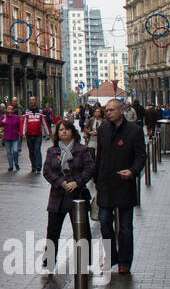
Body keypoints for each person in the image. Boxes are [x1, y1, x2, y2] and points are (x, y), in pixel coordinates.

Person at [94, 98, 146, 275]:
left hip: (125, 183)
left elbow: (141, 156)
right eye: (106, 110)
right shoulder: (103, 130)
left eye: (112, 110)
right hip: (106, 184)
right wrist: (96, 180)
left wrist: (133, 171)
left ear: (121, 110)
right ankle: (111, 257)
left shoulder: (134, 131)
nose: (108, 113)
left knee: (125, 227)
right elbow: (99, 157)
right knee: (105, 221)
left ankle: (124, 261)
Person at [41, 119, 95, 273]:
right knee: (52, 230)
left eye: (66, 129)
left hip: (77, 194)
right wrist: (60, 182)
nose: (63, 132)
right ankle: (49, 263)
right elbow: (47, 171)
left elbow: (90, 168)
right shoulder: (52, 151)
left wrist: (77, 182)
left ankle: (86, 261)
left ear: (72, 131)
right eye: (60, 130)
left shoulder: (82, 150)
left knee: (82, 230)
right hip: (58, 195)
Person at [21, 100, 49, 175]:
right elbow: (24, 123)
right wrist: (23, 133)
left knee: (37, 149)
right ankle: (33, 165)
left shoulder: (40, 111)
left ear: (36, 102)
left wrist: (47, 133)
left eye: (33, 100)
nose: (32, 102)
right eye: (31, 101)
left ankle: (38, 166)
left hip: (38, 134)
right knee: (31, 151)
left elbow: (44, 122)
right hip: (29, 135)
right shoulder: (26, 112)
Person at [0, 102, 23, 171]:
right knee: (9, 152)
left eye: (10, 108)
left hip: (15, 137)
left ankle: (16, 163)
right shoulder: (4, 117)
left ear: (13, 110)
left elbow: (19, 127)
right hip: (7, 138)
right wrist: (3, 121)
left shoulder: (16, 117)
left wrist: (21, 134)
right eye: (8, 108)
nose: (9, 109)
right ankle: (11, 166)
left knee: (15, 151)